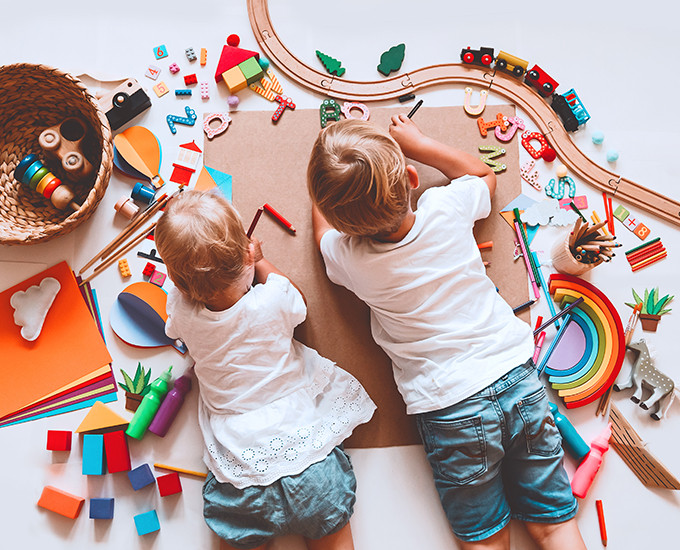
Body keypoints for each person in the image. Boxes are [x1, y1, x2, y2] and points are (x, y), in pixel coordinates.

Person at [307, 116, 586, 550]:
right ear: (413, 178)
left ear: (346, 226)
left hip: (449, 407)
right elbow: (483, 175)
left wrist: (323, 195)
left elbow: (322, 234)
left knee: (487, 539)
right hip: (517, 379)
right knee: (554, 524)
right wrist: (418, 142)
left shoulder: (350, 260)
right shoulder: (445, 207)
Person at [154, 189, 376, 550]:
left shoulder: (181, 312)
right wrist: (261, 262)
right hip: (305, 453)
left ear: (179, 282)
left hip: (241, 468)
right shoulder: (271, 300)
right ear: (246, 254)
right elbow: (299, 303)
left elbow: (177, 310)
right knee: (333, 537)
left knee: (236, 536)